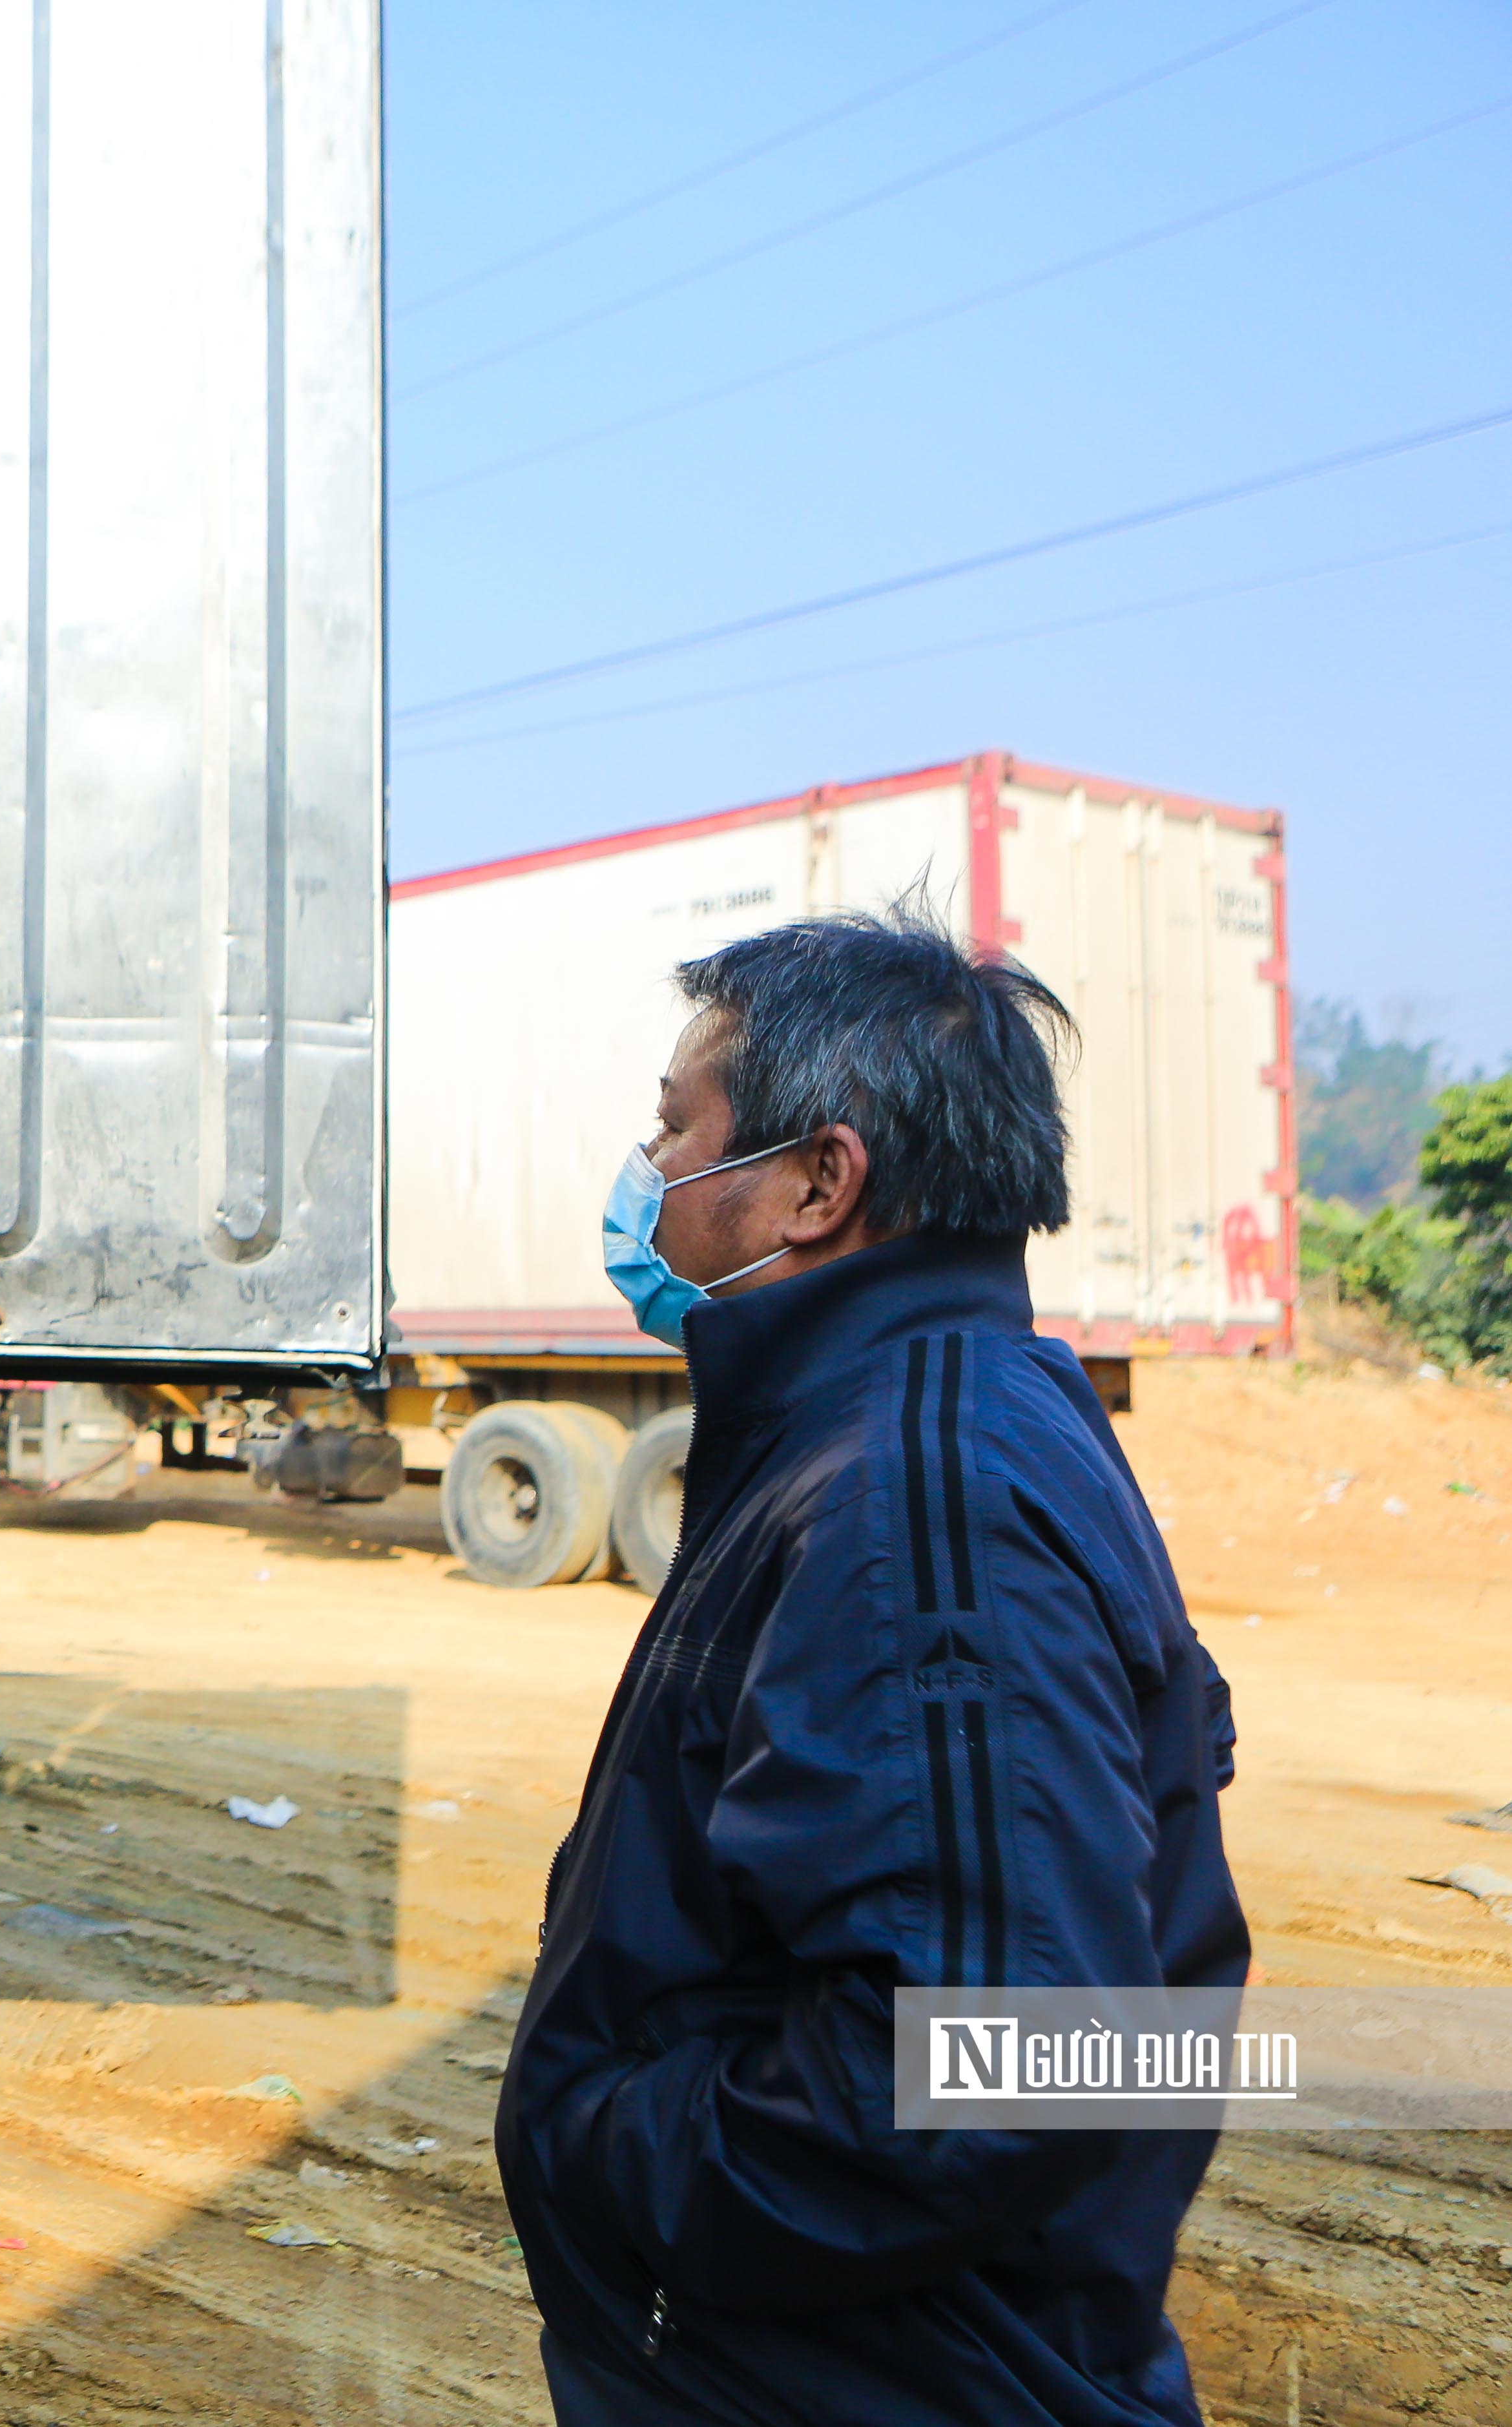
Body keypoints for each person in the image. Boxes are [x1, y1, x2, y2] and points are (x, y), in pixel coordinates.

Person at [497, 907, 1247, 2426]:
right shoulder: (925, 1417)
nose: (647, 1182)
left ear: (818, 1182)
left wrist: (603, 2137)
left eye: (676, 1132)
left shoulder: (922, 1494)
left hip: (877, 2377)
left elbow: (996, 2072)